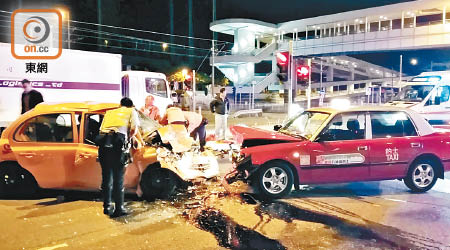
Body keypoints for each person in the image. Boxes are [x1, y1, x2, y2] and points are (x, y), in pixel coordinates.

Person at [97, 97, 139, 218]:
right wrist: (129, 139)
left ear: (120, 105)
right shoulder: (131, 111)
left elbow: (101, 130)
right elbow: (133, 129)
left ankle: (107, 206)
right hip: (117, 146)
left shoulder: (109, 113)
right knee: (118, 178)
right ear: (131, 106)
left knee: (106, 177)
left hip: (104, 145)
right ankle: (119, 208)